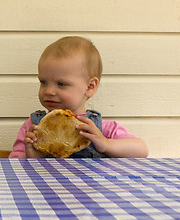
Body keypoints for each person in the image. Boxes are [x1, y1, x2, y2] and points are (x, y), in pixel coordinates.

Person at [10, 36, 148, 158]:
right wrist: (30, 158)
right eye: (43, 82)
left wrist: (106, 144)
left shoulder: (100, 128)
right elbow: (11, 163)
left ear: (90, 87)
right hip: (47, 187)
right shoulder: (34, 126)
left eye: (61, 83)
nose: (49, 91)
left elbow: (142, 150)